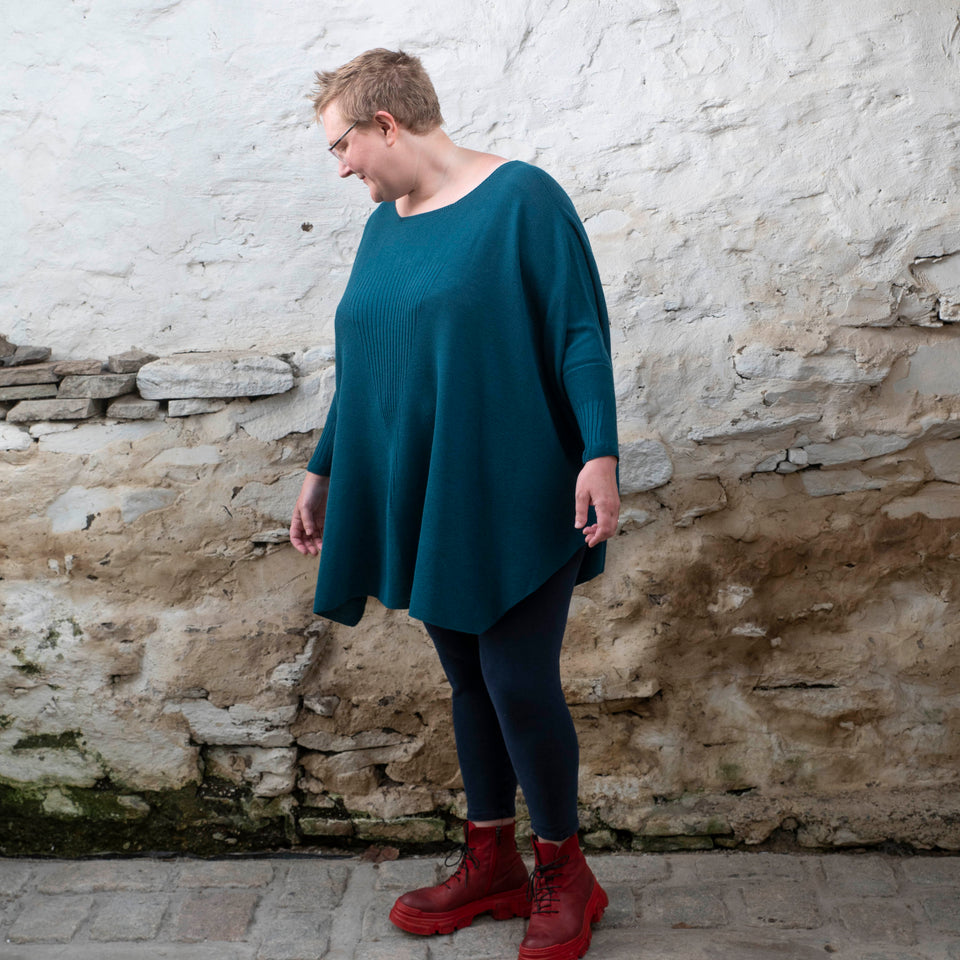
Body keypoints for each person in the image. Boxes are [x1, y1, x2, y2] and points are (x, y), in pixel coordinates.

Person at [289, 48, 620, 960]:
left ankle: (568, 873)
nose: (342, 165)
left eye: (341, 145)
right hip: (420, 494)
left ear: (385, 125)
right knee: (470, 682)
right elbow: (365, 362)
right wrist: (323, 469)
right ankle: (493, 863)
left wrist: (600, 451)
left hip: (511, 486)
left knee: (517, 680)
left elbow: (579, 332)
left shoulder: (522, 200)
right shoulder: (385, 227)